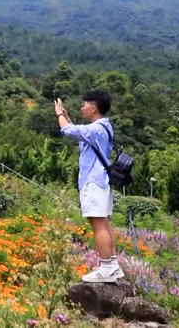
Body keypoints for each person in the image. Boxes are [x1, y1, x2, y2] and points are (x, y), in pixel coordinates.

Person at [56, 90, 122, 283]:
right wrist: (67, 118)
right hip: (102, 180)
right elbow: (77, 130)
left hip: (93, 181)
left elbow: (68, 131)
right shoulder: (104, 127)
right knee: (104, 222)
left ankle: (106, 268)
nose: (81, 107)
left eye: (84, 105)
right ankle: (112, 265)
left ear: (93, 108)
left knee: (97, 224)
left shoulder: (95, 130)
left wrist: (60, 114)